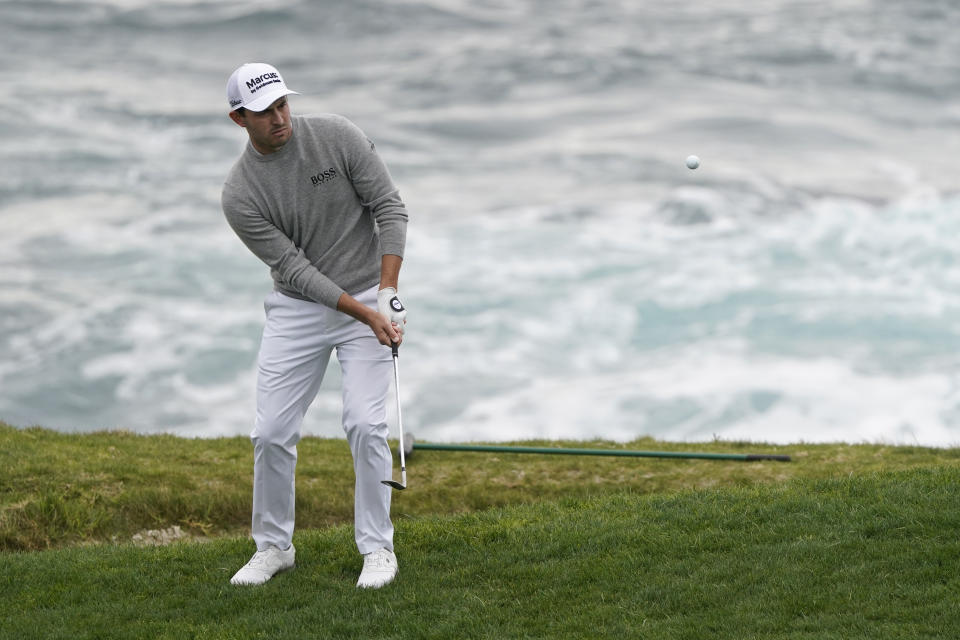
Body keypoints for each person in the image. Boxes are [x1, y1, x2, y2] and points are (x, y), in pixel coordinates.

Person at [220, 62, 408, 588]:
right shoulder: (240, 195)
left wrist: (386, 294)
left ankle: (377, 549)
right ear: (239, 119)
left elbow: (390, 208)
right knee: (272, 432)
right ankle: (274, 547)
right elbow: (296, 271)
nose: (280, 118)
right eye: (264, 112)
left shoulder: (338, 136)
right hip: (298, 308)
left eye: (283, 104)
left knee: (365, 424)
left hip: (371, 292)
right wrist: (363, 312)